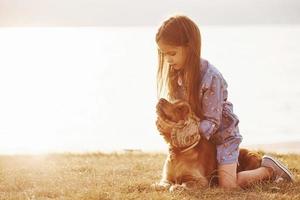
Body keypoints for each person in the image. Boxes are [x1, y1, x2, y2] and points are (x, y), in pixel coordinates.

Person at [155, 15, 295, 189]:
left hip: (222, 137)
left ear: (189, 47)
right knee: (196, 177)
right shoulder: (176, 74)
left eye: (172, 53)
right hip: (198, 141)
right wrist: (170, 126)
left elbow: (213, 122)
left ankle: (269, 170)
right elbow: (180, 112)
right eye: (163, 54)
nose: (167, 59)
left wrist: (188, 130)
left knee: (228, 185)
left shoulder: (211, 77)